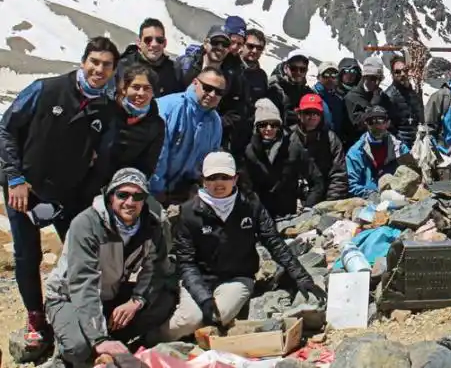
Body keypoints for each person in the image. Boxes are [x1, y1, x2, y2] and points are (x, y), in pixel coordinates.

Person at [0, 37, 121, 350]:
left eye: (106, 65)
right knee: (28, 254)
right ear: (84, 62)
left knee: (82, 251)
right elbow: (6, 129)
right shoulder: (46, 89)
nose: (99, 69)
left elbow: (102, 162)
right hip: (24, 187)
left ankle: (81, 310)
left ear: (113, 70)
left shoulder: (106, 111)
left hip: (68, 194)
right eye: (94, 62)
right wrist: (14, 177)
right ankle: (35, 316)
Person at [160, 152, 324, 341]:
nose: (219, 183)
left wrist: (301, 276)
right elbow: (186, 262)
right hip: (199, 278)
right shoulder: (188, 212)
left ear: (235, 178)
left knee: (217, 316)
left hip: (238, 278)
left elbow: (274, 242)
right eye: (212, 177)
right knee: (189, 321)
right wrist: (203, 297)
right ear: (203, 180)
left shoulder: (250, 205)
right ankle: (150, 341)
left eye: (225, 177)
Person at [45, 169, 173, 365]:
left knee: (164, 301)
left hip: (110, 293)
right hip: (69, 297)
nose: (130, 202)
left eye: (138, 196)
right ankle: (82, 343)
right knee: (77, 349)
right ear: (110, 196)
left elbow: (155, 269)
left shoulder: (152, 224)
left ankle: (109, 344)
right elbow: (82, 283)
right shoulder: (86, 225)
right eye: (123, 195)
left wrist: (136, 301)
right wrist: (99, 338)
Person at [151, 67, 225, 204]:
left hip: (184, 193)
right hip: (152, 190)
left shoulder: (215, 122)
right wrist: (157, 189)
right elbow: (157, 155)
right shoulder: (168, 108)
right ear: (195, 83)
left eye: (219, 92)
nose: (212, 94)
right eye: (208, 88)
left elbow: (209, 160)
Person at [241, 99, 324, 217]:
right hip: (260, 215)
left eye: (273, 124)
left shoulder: (293, 147)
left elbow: (316, 180)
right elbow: (246, 187)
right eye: (263, 125)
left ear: (279, 127)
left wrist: (308, 207)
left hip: (288, 215)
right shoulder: (249, 152)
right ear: (256, 128)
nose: (268, 129)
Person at [175, 25, 248, 155]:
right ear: (206, 43)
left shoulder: (233, 76)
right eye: (215, 42)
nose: (220, 47)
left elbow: (236, 112)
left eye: (225, 44)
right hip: (177, 131)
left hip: (209, 137)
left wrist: (213, 124)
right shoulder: (185, 65)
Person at [106, 65, 165, 179]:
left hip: (124, 185)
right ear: (124, 89)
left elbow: (148, 165)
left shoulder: (156, 125)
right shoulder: (108, 110)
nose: (141, 93)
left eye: (147, 88)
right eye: (136, 87)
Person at [291, 94, 348, 201]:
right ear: (299, 114)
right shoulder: (288, 137)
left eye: (316, 113)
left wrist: (329, 204)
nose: (312, 116)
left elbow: (339, 176)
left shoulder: (331, 139)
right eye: (308, 112)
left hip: (324, 200)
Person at [346, 106, 411, 198]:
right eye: (371, 122)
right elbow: (351, 185)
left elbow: (412, 173)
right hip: (368, 199)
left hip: (398, 195)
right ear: (366, 124)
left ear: (388, 123)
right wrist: (372, 195)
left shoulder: (400, 148)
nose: (376, 126)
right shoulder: (356, 152)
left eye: (380, 121)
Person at [117, 18, 181, 98]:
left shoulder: (174, 70)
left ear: (165, 43)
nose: (154, 44)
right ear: (139, 43)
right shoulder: (123, 66)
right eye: (148, 40)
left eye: (159, 40)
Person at [344, 57, 390, 146]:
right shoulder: (351, 98)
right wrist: (374, 107)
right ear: (364, 77)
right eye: (373, 79)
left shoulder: (382, 96)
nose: (376, 83)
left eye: (379, 79)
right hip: (359, 147)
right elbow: (358, 125)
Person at [383, 57, 424, 148]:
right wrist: (400, 145)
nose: (402, 74)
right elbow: (388, 127)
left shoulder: (413, 92)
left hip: (417, 143)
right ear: (392, 74)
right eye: (397, 72)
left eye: (405, 70)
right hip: (400, 147)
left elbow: (420, 117)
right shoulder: (388, 96)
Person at [267, 50, 314, 127]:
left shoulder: (308, 93)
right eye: (293, 68)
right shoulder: (275, 89)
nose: (298, 72)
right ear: (285, 68)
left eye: (302, 69)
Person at [314, 61, 348, 142]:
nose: (330, 79)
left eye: (334, 75)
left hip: (336, 144)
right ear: (318, 77)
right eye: (326, 75)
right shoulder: (312, 96)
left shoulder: (338, 99)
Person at [241, 28, 270, 107]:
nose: (254, 51)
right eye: (251, 46)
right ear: (242, 45)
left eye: (259, 48)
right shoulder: (230, 68)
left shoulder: (262, 76)